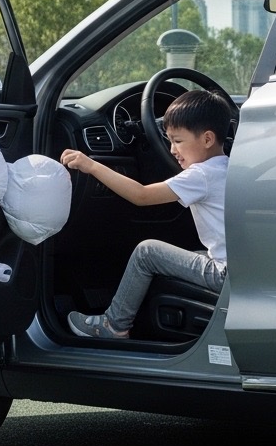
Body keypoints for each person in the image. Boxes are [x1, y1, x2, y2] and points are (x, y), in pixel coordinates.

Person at [59, 89, 232, 339]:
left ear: (207, 139)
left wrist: (92, 165)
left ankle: (114, 325)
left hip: (223, 273)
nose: (172, 149)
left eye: (178, 141)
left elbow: (141, 196)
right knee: (191, 252)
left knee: (147, 252)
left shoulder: (201, 175)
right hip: (237, 266)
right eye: (169, 141)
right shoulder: (228, 166)